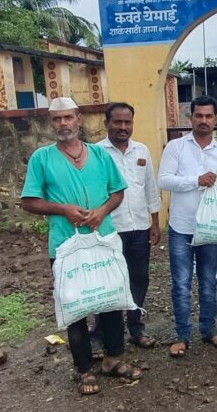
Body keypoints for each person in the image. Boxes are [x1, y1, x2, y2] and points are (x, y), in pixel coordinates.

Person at [20, 97, 143, 395]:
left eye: (68, 117)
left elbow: (117, 192)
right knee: (75, 307)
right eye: (56, 119)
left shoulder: (100, 155)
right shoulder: (42, 158)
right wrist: (63, 209)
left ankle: (113, 359)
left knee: (111, 301)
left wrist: (102, 211)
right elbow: (29, 201)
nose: (63, 123)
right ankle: (84, 368)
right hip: (66, 246)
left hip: (103, 241)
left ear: (78, 118)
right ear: (52, 123)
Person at [158, 95, 217, 357]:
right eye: (198, 115)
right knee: (181, 283)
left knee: (209, 281)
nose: (203, 120)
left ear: (216, 119)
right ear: (190, 118)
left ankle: (209, 330)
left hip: (211, 229)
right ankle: (182, 335)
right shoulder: (176, 147)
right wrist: (196, 180)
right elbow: (163, 180)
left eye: (208, 116)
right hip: (181, 227)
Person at [93, 102, 162, 350]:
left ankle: (135, 327)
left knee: (139, 278)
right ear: (106, 123)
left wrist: (155, 223)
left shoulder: (141, 150)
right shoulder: (96, 153)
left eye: (127, 122)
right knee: (108, 281)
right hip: (110, 228)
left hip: (140, 228)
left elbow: (150, 188)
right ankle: (102, 332)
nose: (123, 127)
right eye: (118, 122)